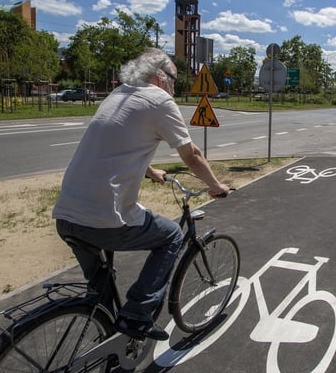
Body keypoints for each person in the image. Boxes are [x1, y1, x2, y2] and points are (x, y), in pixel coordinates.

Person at [52, 48, 230, 341]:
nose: (174, 85)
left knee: (100, 291)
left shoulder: (119, 93)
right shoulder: (160, 100)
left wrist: (150, 171)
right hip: (103, 217)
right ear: (160, 77)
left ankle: (106, 338)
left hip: (67, 214)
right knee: (171, 236)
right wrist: (215, 186)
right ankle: (137, 315)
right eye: (174, 78)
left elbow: (117, 141)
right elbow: (192, 154)